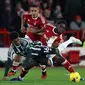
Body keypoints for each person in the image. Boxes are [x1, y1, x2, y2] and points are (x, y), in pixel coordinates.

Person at [2, 31, 83, 81]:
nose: (18, 41)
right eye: (16, 41)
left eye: (18, 39)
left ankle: (75, 73)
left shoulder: (25, 42)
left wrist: (52, 50)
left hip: (40, 50)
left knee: (58, 55)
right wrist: (5, 74)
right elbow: (9, 59)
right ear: (12, 41)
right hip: (36, 56)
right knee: (28, 66)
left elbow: (35, 49)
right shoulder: (11, 48)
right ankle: (20, 78)